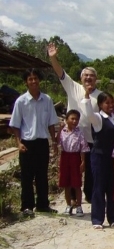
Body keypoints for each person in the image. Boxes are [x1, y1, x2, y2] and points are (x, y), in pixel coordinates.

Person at [49, 43, 101, 203]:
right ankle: (71, 197)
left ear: (96, 79)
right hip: (73, 138)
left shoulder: (101, 95)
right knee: (72, 168)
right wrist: (53, 57)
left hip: (92, 138)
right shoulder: (73, 87)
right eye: (86, 75)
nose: (88, 78)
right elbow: (60, 73)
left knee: (90, 169)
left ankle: (89, 195)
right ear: (81, 78)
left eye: (91, 76)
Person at [10, 69, 59, 217]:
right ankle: (27, 206)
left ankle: (43, 205)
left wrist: (54, 142)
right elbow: (16, 125)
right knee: (27, 176)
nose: (33, 81)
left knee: (42, 175)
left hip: (42, 142)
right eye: (30, 79)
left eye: (35, 78)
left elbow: (51, 123)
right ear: (26, 82)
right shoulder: (21, 101)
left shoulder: (47, 100)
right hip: (27, 143)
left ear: (39, 80)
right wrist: (19, 143)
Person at [81, 85, 114, 229]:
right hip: (99, 157)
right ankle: (97, 220)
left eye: (112, 102)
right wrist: (86, 95)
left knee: (112, 188)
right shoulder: (98, 118)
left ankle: (112, 218)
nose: (110, 105)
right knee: (98, 187)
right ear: (100, 104)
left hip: (112, 158)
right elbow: (88, 113)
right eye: (106, 103)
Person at [56, 110, 90, 216]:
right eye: (72, 118)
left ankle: (79, 206)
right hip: (65, 156)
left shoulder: (79, 133)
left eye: (76, 119)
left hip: (75, 157)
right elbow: (57, 142)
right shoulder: (63, 131)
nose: (74, 121)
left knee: (77, 183)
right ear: (67, 119)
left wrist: (83, 161)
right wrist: (60, 129)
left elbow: (83, 148)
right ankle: (68, 205)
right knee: (66, 184)